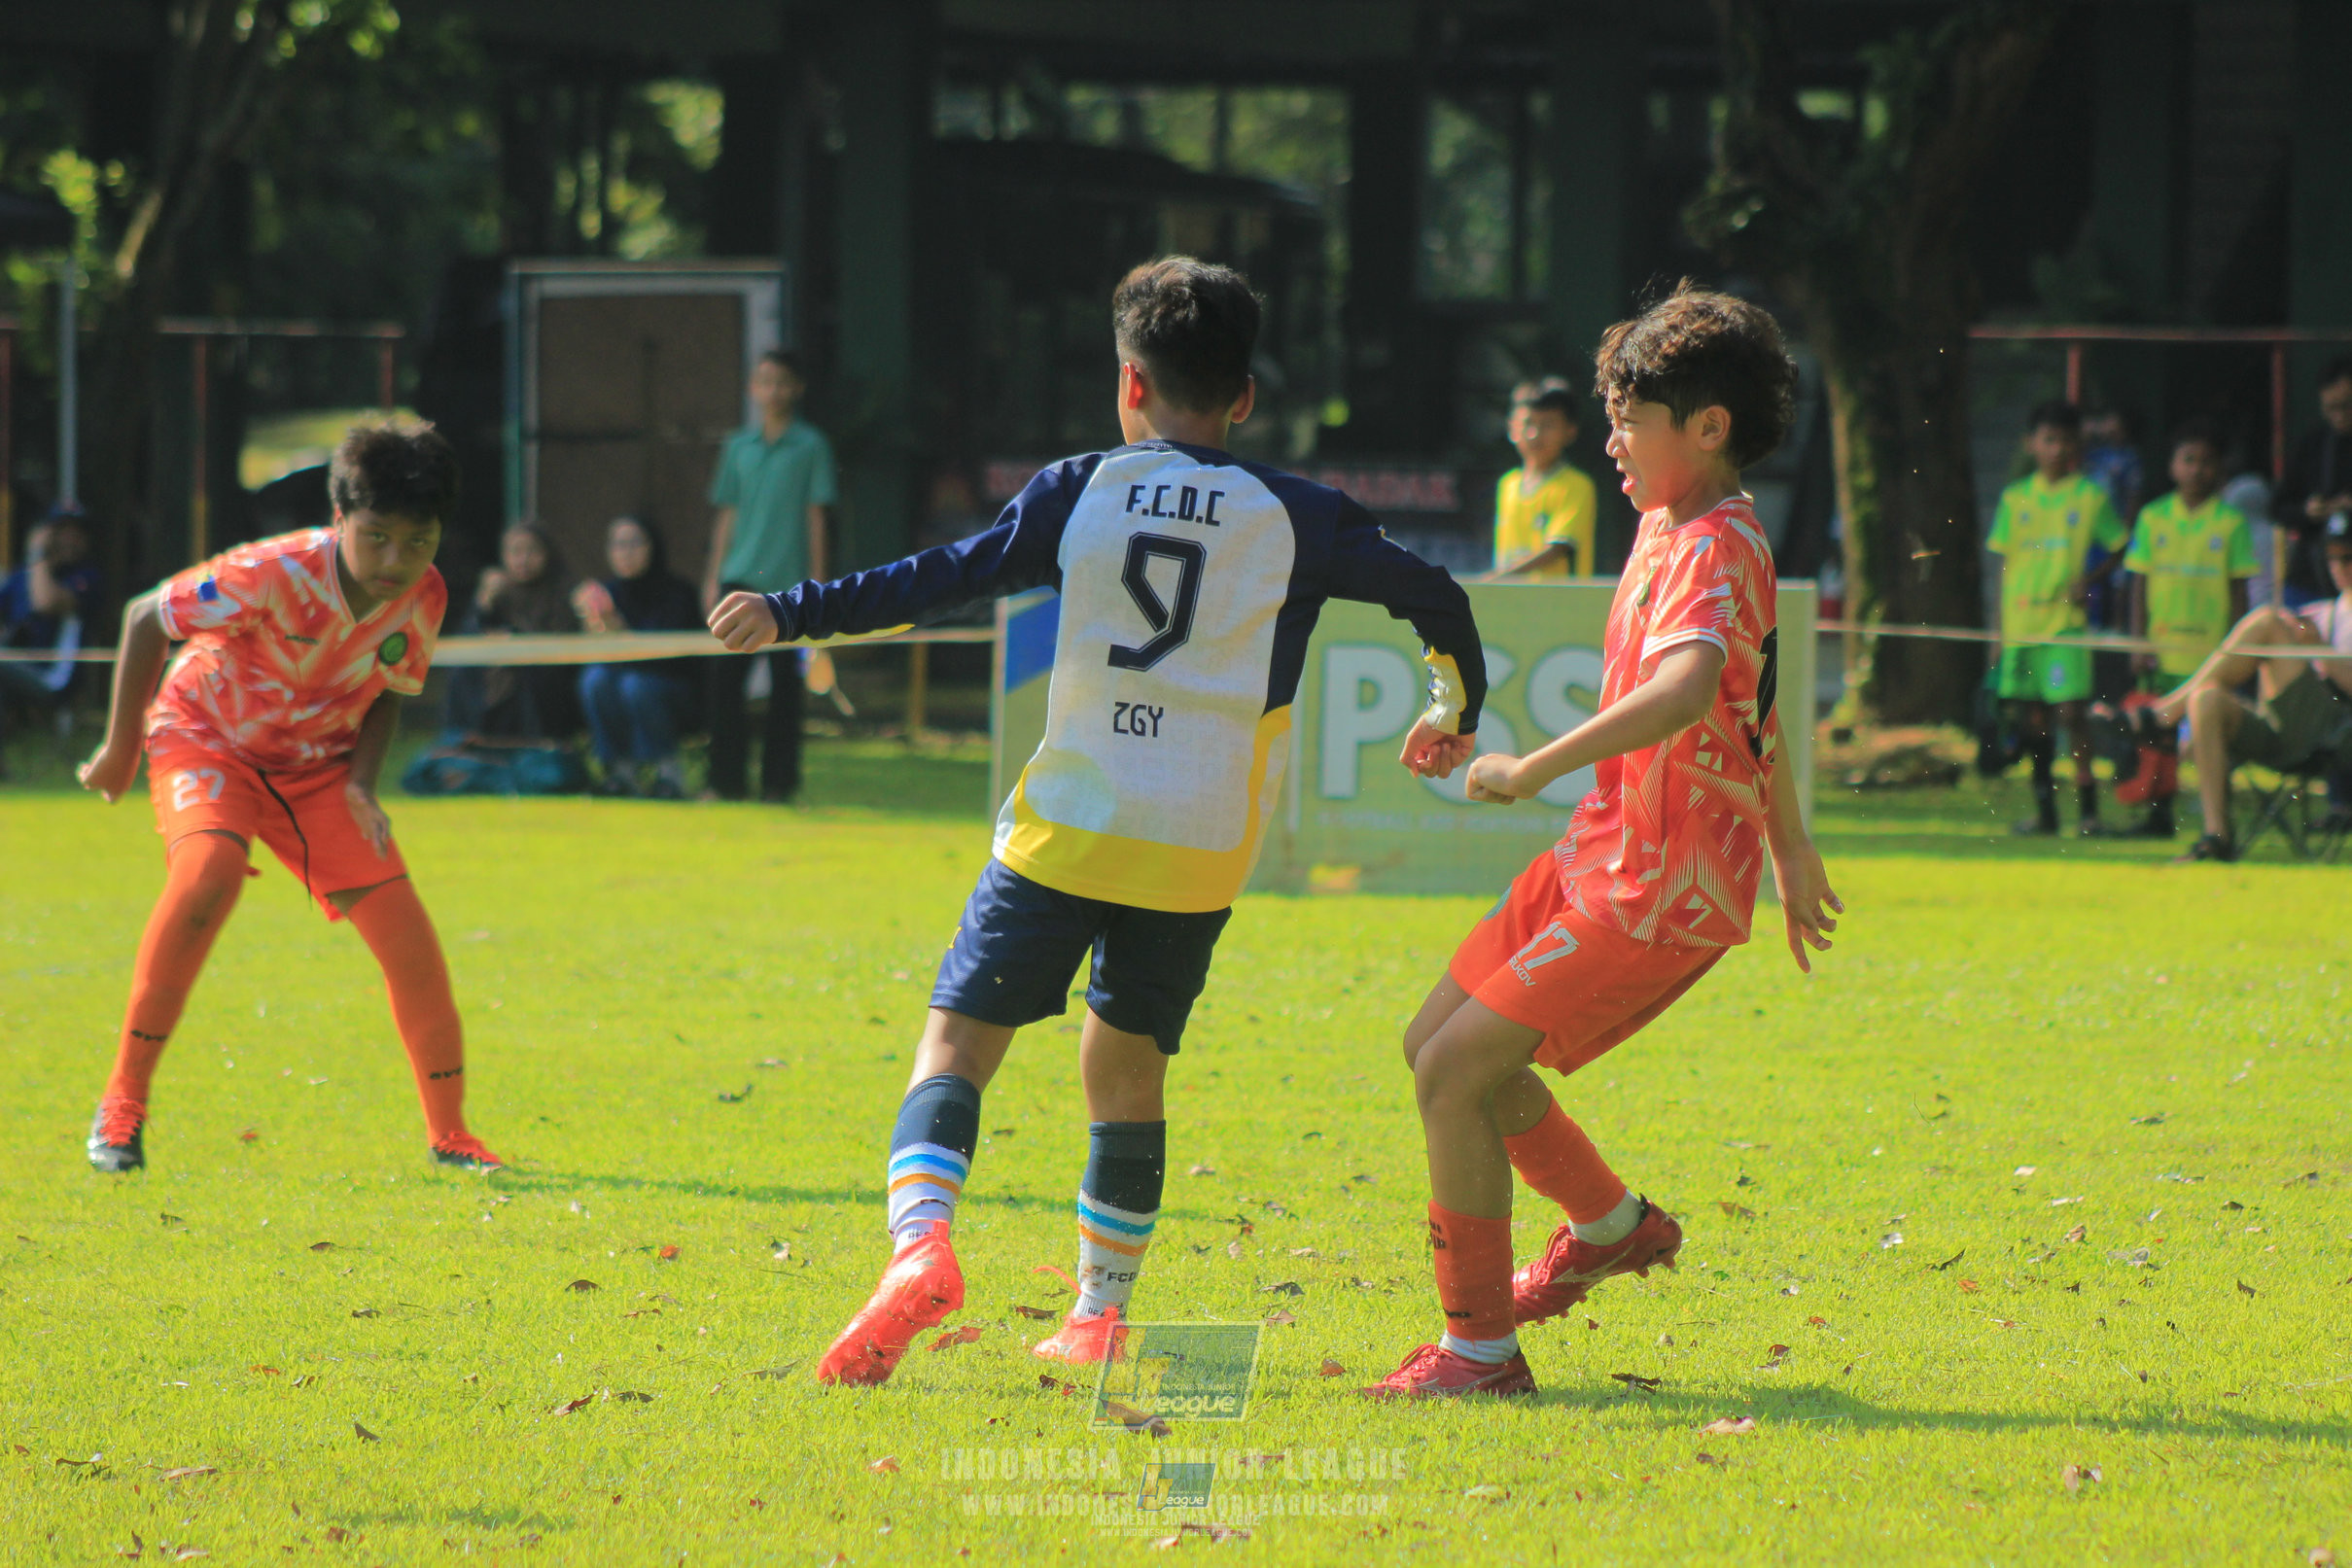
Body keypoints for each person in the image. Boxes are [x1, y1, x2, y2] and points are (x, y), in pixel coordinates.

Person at [709, 257, 1487, 1386]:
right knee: (1126, 1074)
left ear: (1129, 382)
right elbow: (1439, 597)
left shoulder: (1079, 487)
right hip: (1198, 845)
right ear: (1246, 396)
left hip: (1067, 821)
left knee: (956, 1045)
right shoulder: (1302, 515)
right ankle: (1094, 1314)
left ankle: (921, 1246)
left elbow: (945, 577)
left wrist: (793, 611)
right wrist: (1449, 707)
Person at [1361, 284, 1839, 1401]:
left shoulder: (1719, 544)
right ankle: (1610, 1223)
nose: (1609, 438)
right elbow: (1754, 708)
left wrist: (1527, 769)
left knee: (1453, 1070)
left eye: (1630, 418)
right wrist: (1793, 842)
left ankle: (1479, 1351)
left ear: (1708, 427)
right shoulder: (1666, 522)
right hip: (1603, 848)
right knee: (1431, 1042)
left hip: (1660, 881)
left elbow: (1687, 695)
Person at [73, 420, 504, 1173]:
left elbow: (391, 690)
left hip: (317, 772)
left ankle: (451, 1135)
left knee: (409, 938)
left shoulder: (423, 595)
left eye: (418, 542)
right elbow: (146, 616)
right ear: (340, 517)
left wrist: (363, 787)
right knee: (205, 875)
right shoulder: (272, 571)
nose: (394, 561)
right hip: (208, 738)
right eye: (375, 537)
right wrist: (118, 749)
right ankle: (121, 1107)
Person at [2148, 513, 2352, 862]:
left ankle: (2162, 717)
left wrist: (2323, 653)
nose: (2340, 566)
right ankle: (2216, 836)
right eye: (2333, 556)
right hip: (2285, 732)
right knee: (2207, 698)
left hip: (2336, 734)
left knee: (2266, 623)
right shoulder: (2322, 612)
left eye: (2348, 556)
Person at [1987, 401, 2129, 836]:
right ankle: (2046, 811)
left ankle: (2088, 811)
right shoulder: (2015, 498)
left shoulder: (2089, 496)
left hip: (2064, 626)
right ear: (2032, 444)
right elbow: (2004, 563)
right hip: (2021, 626)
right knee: (2033, 719)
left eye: (2066, 439)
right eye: (2049, 439)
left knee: (2071, 713)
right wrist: (1997, 630)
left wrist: (2090, 579)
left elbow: (2122, 545)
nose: (2057, 448)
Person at [703, 349, 837, 802]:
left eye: (782, 381)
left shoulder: (811, 445)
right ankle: (724, 782)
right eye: (764, 381)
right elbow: (726, 514)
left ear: (796, 389)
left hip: (791, 585)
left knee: (785, 691)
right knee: (726, 689)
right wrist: (712, 577)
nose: (773, 390)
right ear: (752, 389)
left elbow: (815, 514)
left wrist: (818, 583)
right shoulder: (737, 447)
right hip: (738, 579)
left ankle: (778, 785)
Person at [2117, 419, 2259, 837]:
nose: (2197, 469)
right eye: (2188, 459)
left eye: (2206, 461)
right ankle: (2158, 815)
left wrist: (2236, 648)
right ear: (2173, 466)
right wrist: (2139, 641)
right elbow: (2138, 584)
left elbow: (2239, 591)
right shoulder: (2152, 517)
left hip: (2211, 655)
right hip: (2163, 648)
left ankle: (2216, 813)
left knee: (2205, 735)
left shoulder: (2230, 522)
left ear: (2219, 469)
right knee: (2157, 740)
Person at [576, 515, 701, 799]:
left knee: (637, 685)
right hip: (622, 688)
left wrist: (617, 627)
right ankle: (620, 774)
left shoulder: (677, 592)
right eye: (618, 544)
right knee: (595, 680)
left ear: (652, 547)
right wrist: (593, 624)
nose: (626, 552)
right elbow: (601, 656)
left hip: (674, 691)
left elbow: (664, 657)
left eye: (634, 543)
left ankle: (668, 775)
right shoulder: (608, 593)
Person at [454, 521, 580, 744]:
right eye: (515, 552)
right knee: (466, 671)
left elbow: (562, 642)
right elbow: (470, 638)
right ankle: (467, 738)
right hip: (503, 672)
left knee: (527, 677)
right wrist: (483, 605)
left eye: (532, 551)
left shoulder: (563, 590)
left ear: (547, 553)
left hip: (550, 679)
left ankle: (538, 745)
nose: (523, 560)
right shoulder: (499, 592)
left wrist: (516, 639)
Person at [1487, 377, 1598, 580]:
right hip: (1511, 604)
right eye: (1528, 423)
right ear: (1512, 428)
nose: (1534, 434)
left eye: (1548, 425)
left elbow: (1557, 549)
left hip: (1558, 606)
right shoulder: (1507, 484)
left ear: (1570, 431)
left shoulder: (1576, 485)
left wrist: (1497, 578)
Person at [2271, 356, 2352, 610]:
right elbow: (2278, 507)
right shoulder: (2313, 444)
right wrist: (2308, 510)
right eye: (2331, 408)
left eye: (2347, 406)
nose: (2339, 416)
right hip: (2311, 579)